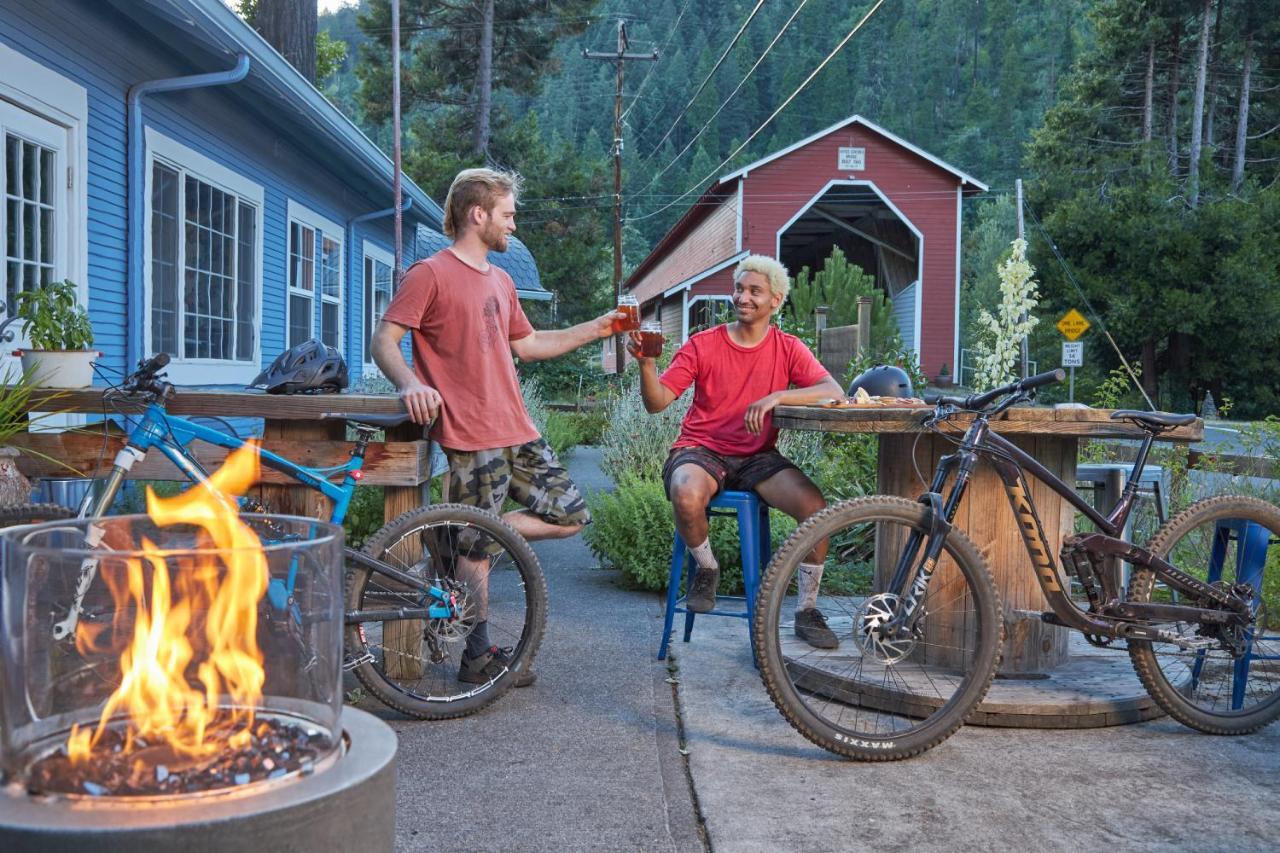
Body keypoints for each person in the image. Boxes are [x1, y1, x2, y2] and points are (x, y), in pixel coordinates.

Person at [371, 167, 620, 686]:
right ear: (477, 214)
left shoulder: (502, 281)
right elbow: (385, 340)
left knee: (570, 516)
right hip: (470, 434)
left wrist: (598, 329)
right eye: (507, 215)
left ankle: (457, 537)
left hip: (517, 428)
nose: (513, 224)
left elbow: (528, 345)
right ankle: (477, 655)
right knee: (478, 550)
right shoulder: (430, 274)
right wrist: (409, 384)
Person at [629, 255, 845, 649]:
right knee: (686, 490)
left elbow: (834, 392)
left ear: (775, 301)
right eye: (739, 289)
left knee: (817, 509)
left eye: (754, 291)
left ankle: (807, 611)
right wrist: (646, 365)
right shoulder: (702, 344)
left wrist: (779, 395)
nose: (743, 297)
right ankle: (707, 568)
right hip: (702, 449)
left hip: (757, 457)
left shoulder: (788, 348)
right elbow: (657, 402)